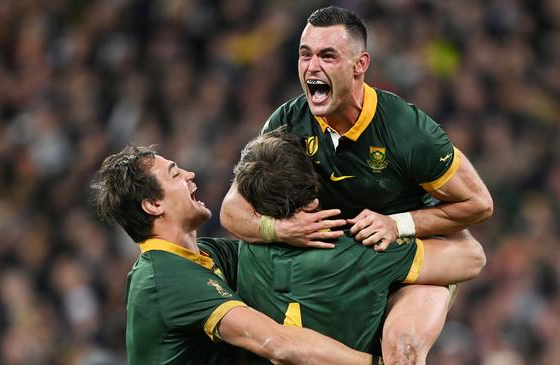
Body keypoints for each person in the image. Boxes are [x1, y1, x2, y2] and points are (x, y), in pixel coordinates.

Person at [220, 6, 493, 365]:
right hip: (344, 258)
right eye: (305, 55)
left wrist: (398, 224)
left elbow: (479, 205)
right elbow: (232, 210)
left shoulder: (407, 131)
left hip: (410, 254)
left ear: (359, 65)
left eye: (327, 55)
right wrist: (282, 228)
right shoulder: (289, 120)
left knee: (402, 352)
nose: (312, 66)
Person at [91, 145, 377, 365]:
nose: (190, 175)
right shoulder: (163, 278)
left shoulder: (207, 255)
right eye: (175, 174)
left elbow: (280, 262)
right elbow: (277, 344)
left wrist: (282, 228)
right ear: (153, 204)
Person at [232, 129, 485, 354]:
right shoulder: (366, 251)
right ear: (313, 201)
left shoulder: (243, 252)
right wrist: (422, 203)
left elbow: (232, 214)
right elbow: (472, 259)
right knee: (432, 291)